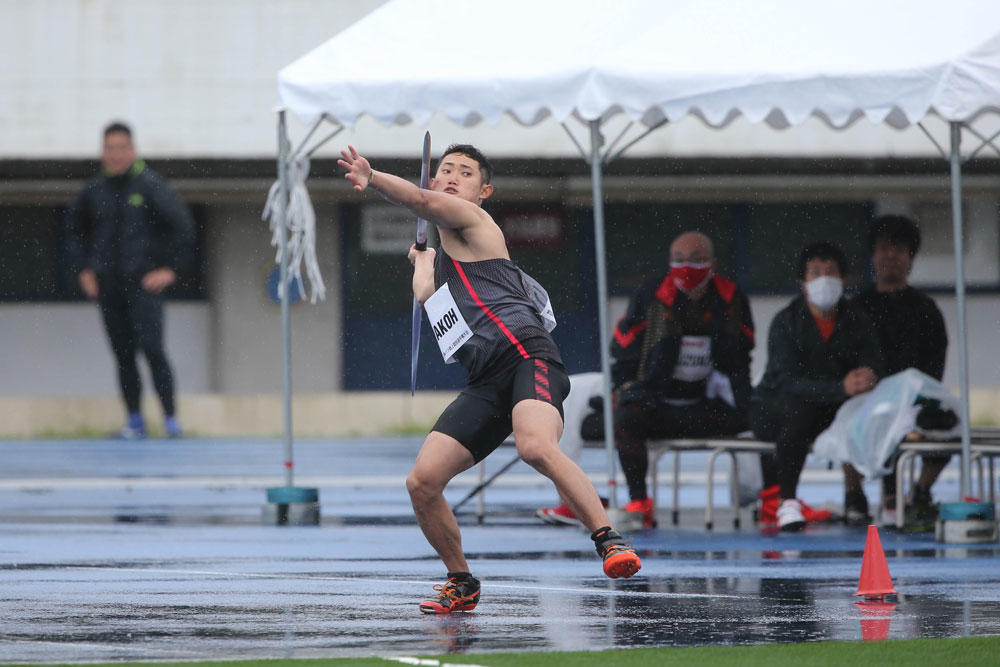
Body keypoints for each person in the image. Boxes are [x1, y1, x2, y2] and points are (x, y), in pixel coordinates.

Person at [337, 142, 641, 614]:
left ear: (483, 193)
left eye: (466, 173)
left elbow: (420, 202)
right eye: (446, 171)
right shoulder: (442, 257)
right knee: (422, 482)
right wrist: (422, 262)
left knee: (535, 446)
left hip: (529, 358)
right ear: (435, 179)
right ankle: (461, 580)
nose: (454, 176)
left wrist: (372, 177)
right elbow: (427, 297)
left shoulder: (478, 224)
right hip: (486, 380)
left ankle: (609, 540)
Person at [538, 232, 754, 529]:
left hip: (706, 405)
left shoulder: (731, 299)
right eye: (679, 260)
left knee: (763, 415)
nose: (687, 267)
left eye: (696, 259)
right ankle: (639, 501)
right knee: (626, 417)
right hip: (656, 404)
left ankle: (773, 500)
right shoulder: (651, 294)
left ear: (713, 264)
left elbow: (742, 361)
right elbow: (622, 352)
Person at [65, 121, 196, 439]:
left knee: (153, 349)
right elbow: (73, 230)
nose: (117, 154)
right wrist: (83, 269)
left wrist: (170, 270)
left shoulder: (150, 185)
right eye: (110, 148)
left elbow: (184, 227)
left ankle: (170, 420)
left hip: (144, 286)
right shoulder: (94, 191)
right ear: (103, 152)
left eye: (122, 147)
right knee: (123, 354)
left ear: (133, 150)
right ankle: (135, 421)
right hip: (109, 286)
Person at [750, 241, 885, 531]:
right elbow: (786, 381)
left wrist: (866, 378)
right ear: (803, 282)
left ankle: (861, 496)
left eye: (830, 272)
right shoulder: (786, 322)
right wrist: (840, 388)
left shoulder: (857, 321)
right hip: (778, 409)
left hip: (831, 409)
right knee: (799, 412)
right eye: (815, 272)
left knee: (862, 411)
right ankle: (787, 502)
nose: (823, 279)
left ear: (844, 280)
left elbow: (873, 362)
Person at [853, 215, 949, 526]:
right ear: (873, 255)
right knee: (871, 416)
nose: (890, 255)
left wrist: (914, 395)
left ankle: (921, 491)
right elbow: (849, 357)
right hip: (869, 398)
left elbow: (935, 365)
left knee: (948, 422)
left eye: (898, 249)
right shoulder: (858, 307)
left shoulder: (926, 309)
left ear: (911, 257)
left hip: (916, 398)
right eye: (883, 248)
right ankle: (864, 494)